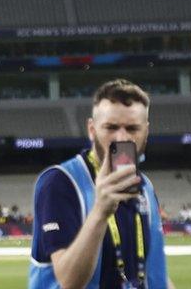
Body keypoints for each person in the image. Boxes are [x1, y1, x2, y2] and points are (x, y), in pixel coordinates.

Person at [30, 79, 176, 288]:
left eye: (133, 128)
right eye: (111, 127)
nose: (122, 137)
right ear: (92, 129)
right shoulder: (60, 183)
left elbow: (154, 275)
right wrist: (100, 211)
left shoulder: (144, 187)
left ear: (146, 131)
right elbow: (70, 282)